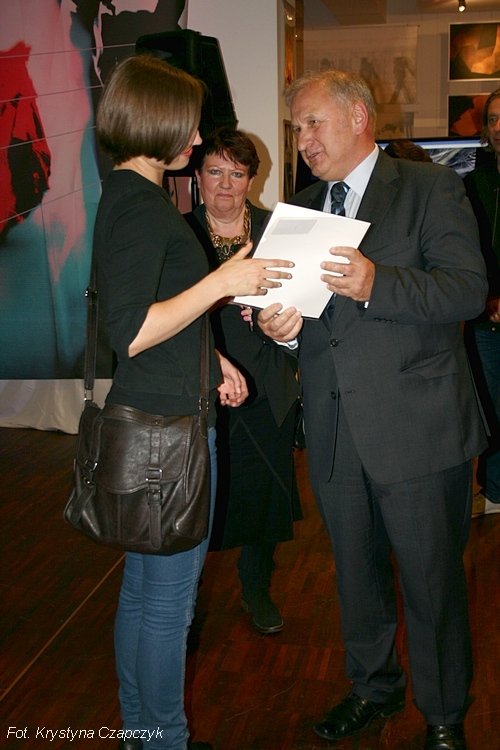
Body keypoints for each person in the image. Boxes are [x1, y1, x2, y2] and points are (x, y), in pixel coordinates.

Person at [257, 69, 487, 750]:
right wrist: (282, 329)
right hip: (335, 432)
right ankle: (373, 688)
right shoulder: (299, 212)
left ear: (358, 116)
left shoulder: (428, 188)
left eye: (312, 122)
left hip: (417, 429)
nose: (302, 139)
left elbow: (466, 291)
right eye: (296, 127)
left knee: (431, 583)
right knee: (356, 580)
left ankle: (443, 715)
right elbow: (301, 322)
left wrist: (376, 282)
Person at [93, 54, 293, 750]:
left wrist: (212, 362)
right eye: (190, 124)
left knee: (145, 592)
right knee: (165, 605)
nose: (200, 138)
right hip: (166, 432)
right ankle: (162, 740)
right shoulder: (140, 205)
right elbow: (130, 332)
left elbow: (154, 317)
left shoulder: (133, 196)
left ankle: (144, 735)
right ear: (155, 119)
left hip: (163, 415)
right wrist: (223, 282)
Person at [185, 128, 302, 634]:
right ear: (198, 176)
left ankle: (256, 587)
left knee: (265, 495)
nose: (225, 185)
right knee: (198, 499)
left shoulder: (279, 232)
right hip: (200, 383)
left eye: (237, 174)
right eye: (215, 171)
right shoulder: (179, 234)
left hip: (268, 379)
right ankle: (186, 602)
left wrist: (288, 329)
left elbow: (309, 306)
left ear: (252, 179)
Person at [464, 87, 500, 516]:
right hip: (485, 316)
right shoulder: (473, 184)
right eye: (492, 119)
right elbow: (466, 252)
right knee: (490, 407)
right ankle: (493, 490)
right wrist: (487, 297)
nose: (498, 126)